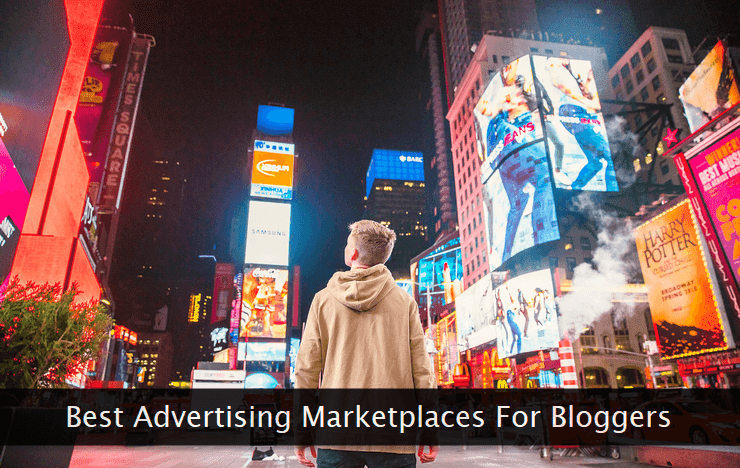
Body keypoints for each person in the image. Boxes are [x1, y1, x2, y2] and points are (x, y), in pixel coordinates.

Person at [294, 220, 439, 468]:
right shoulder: (405, 303)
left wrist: (301, 432)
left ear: (352, 253)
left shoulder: (322, 301)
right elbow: (423, 373)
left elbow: (306, 371)